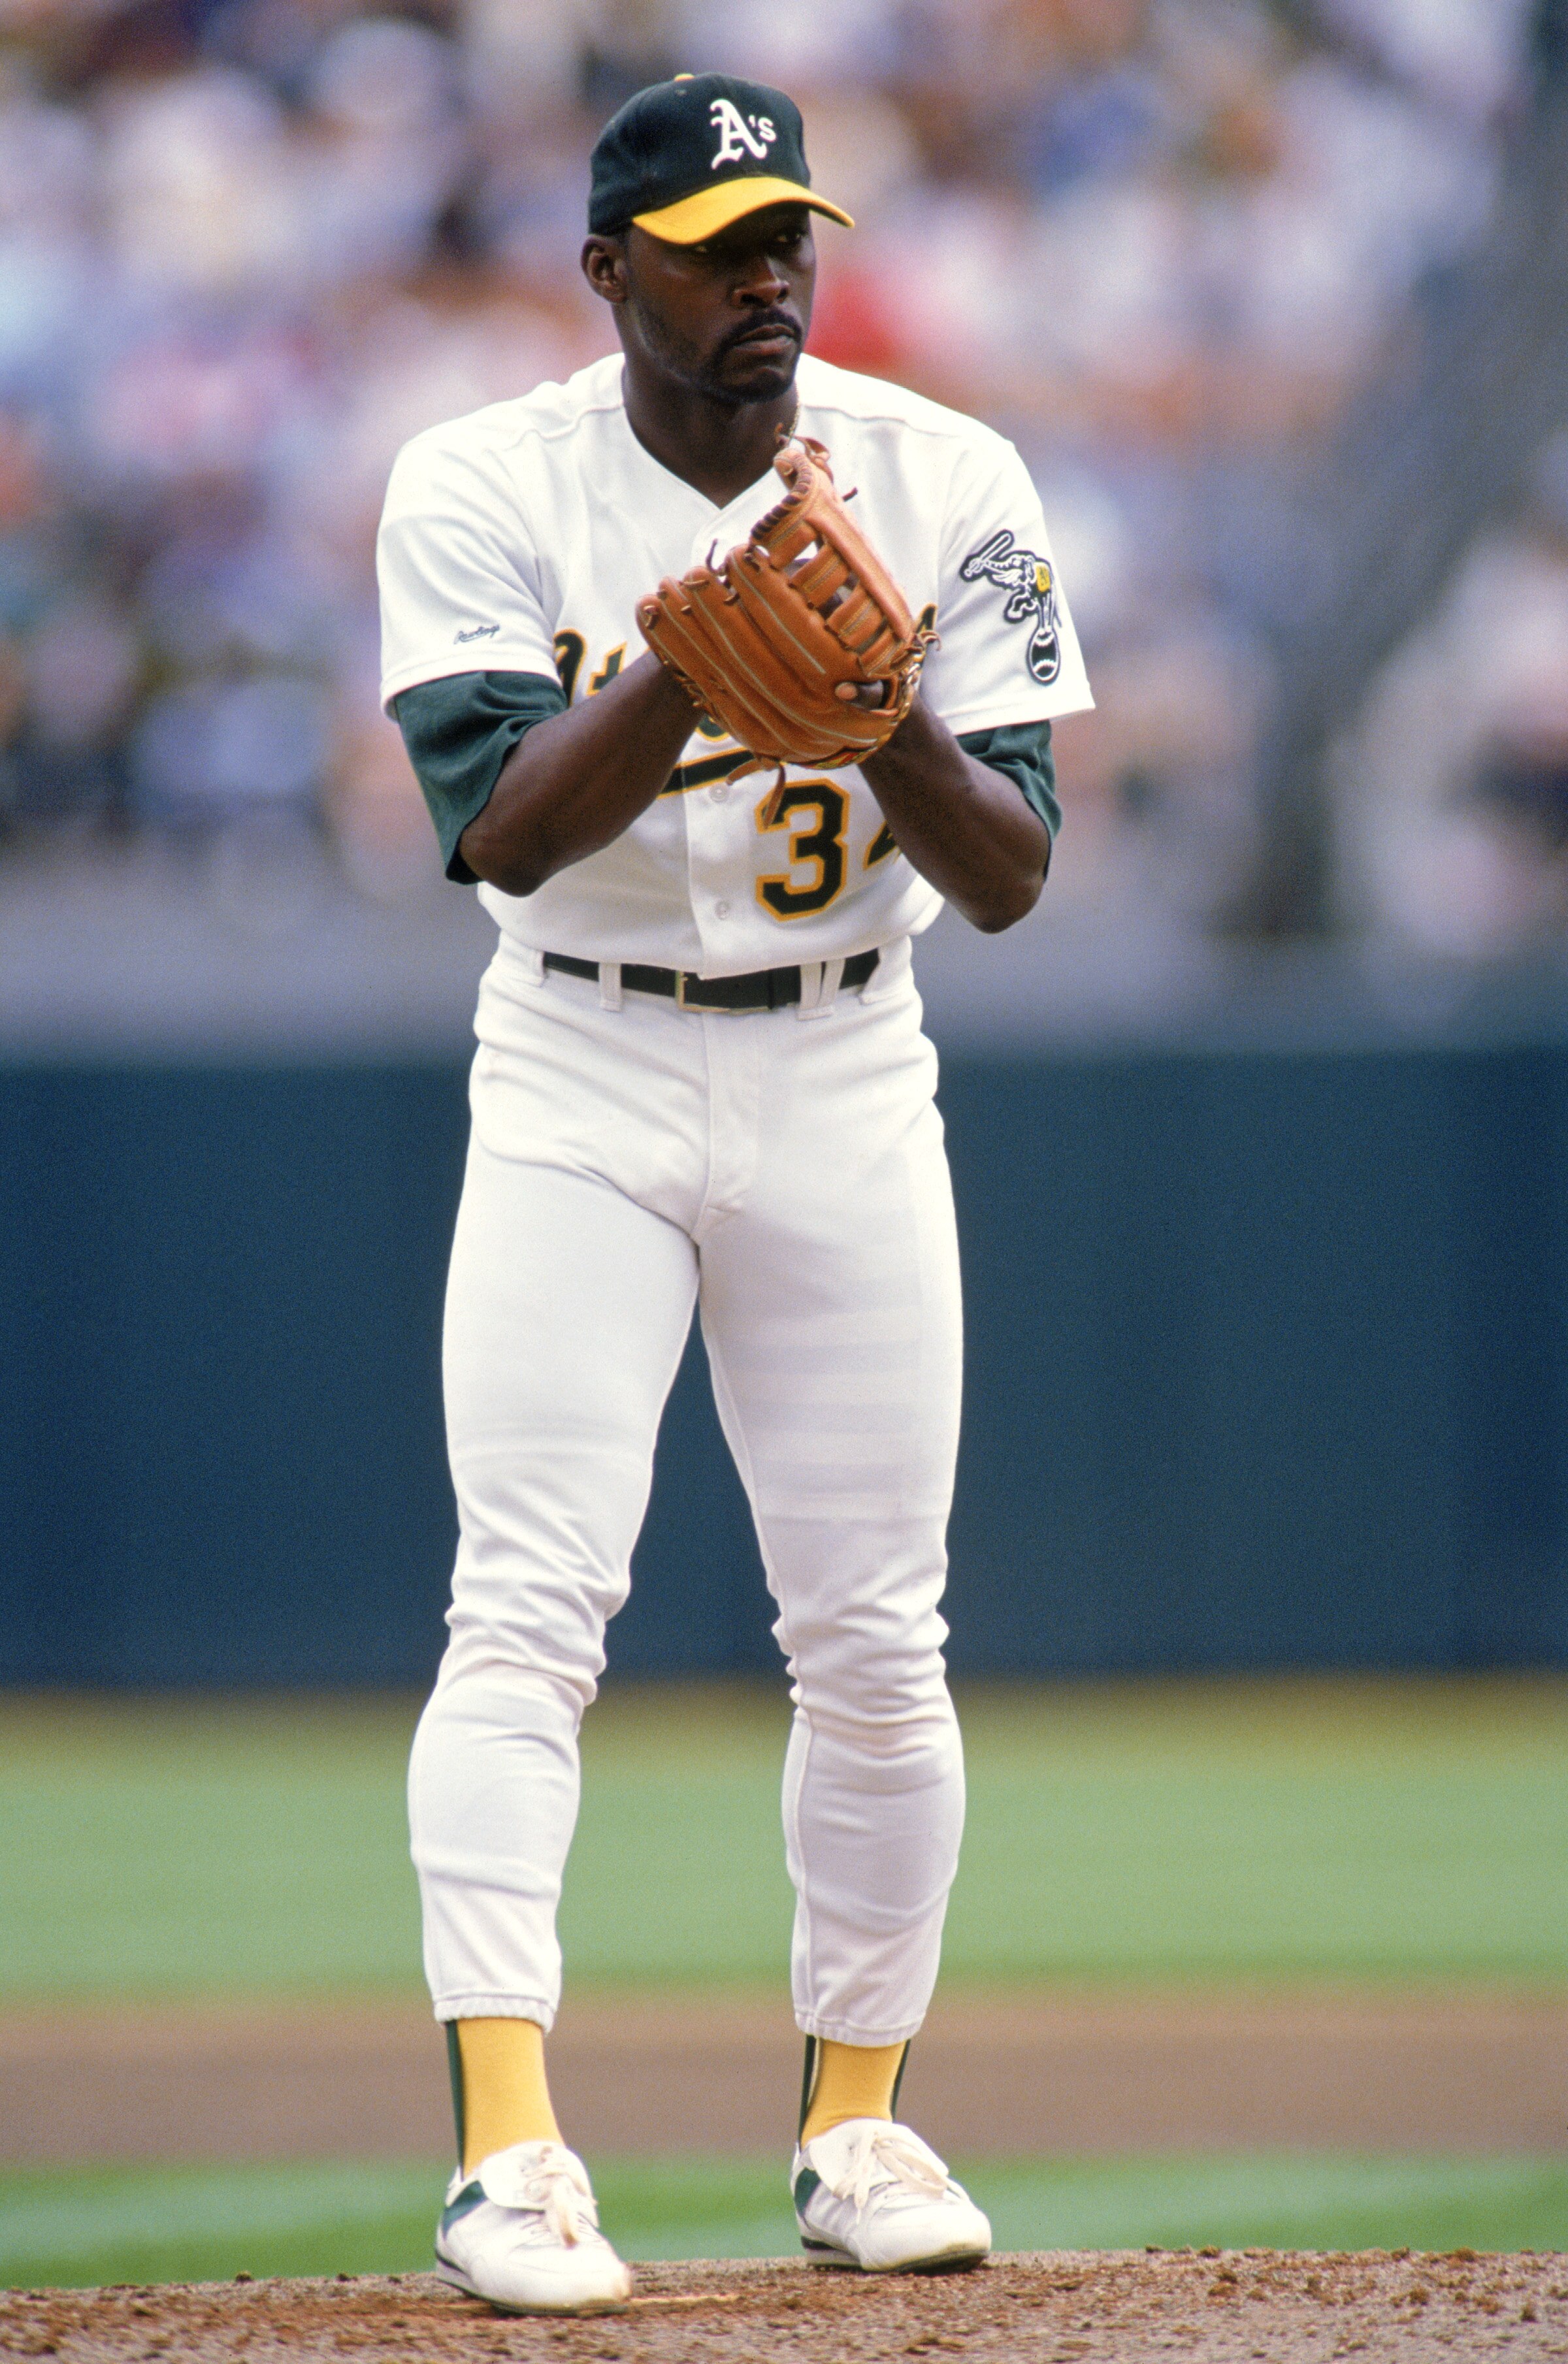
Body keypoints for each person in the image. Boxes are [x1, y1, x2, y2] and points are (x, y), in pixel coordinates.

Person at [377, 69, 1092, 2317]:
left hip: (847, 1059)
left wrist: (881, 711)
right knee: (528, 1607)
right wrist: (697, 642)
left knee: (882, 1638)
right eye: (716, 244)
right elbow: (495, 834)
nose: (771, 275)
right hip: (577, 1054)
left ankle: (858, 2119)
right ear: (612, 272)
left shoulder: (946, 473)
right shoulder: (485, 477)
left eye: (792, 236)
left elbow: (1011, 876)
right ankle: (509, 2154)